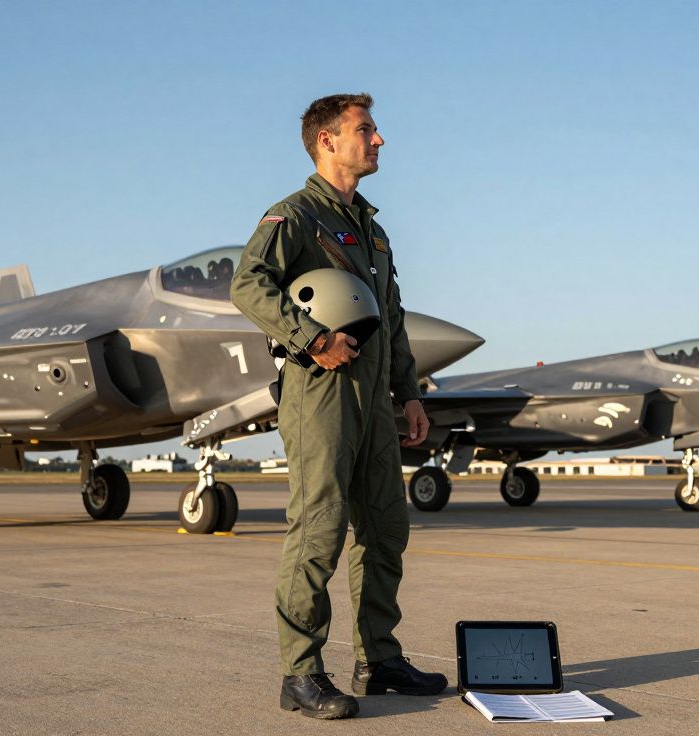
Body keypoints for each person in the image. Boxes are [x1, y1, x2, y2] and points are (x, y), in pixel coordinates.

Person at [230, 93, 446, 720]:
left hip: (375, 400)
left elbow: (392, 319)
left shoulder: (372, 229)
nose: (379, 140)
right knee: (319, 531)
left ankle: (379, 660)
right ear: (327, 140)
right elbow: (247, 284)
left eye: (374, 130)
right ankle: (300, 674)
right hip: (319, 396)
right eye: (366, 130)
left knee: (385, 530)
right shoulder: (294, 216)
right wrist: (313, 338)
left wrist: (409, 393)